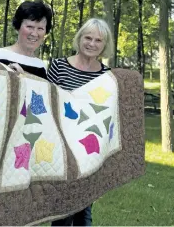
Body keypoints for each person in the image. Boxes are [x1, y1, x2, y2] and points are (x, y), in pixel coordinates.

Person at [47, 18, 114, 226]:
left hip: (91, 152)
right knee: (62, 212)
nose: (92, 44)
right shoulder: (59, 66)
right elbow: (48, 104)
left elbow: (108, 116)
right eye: (88, 37)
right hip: (62, 150)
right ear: (80, 38)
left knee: (85, 213)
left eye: (98, 40)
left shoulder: (106, 75)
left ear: (104, 45)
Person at [0, 1, 52, 79]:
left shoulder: (40, 66)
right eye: (30, 27)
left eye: (40, 28)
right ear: (18, 26)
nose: (34, 34)